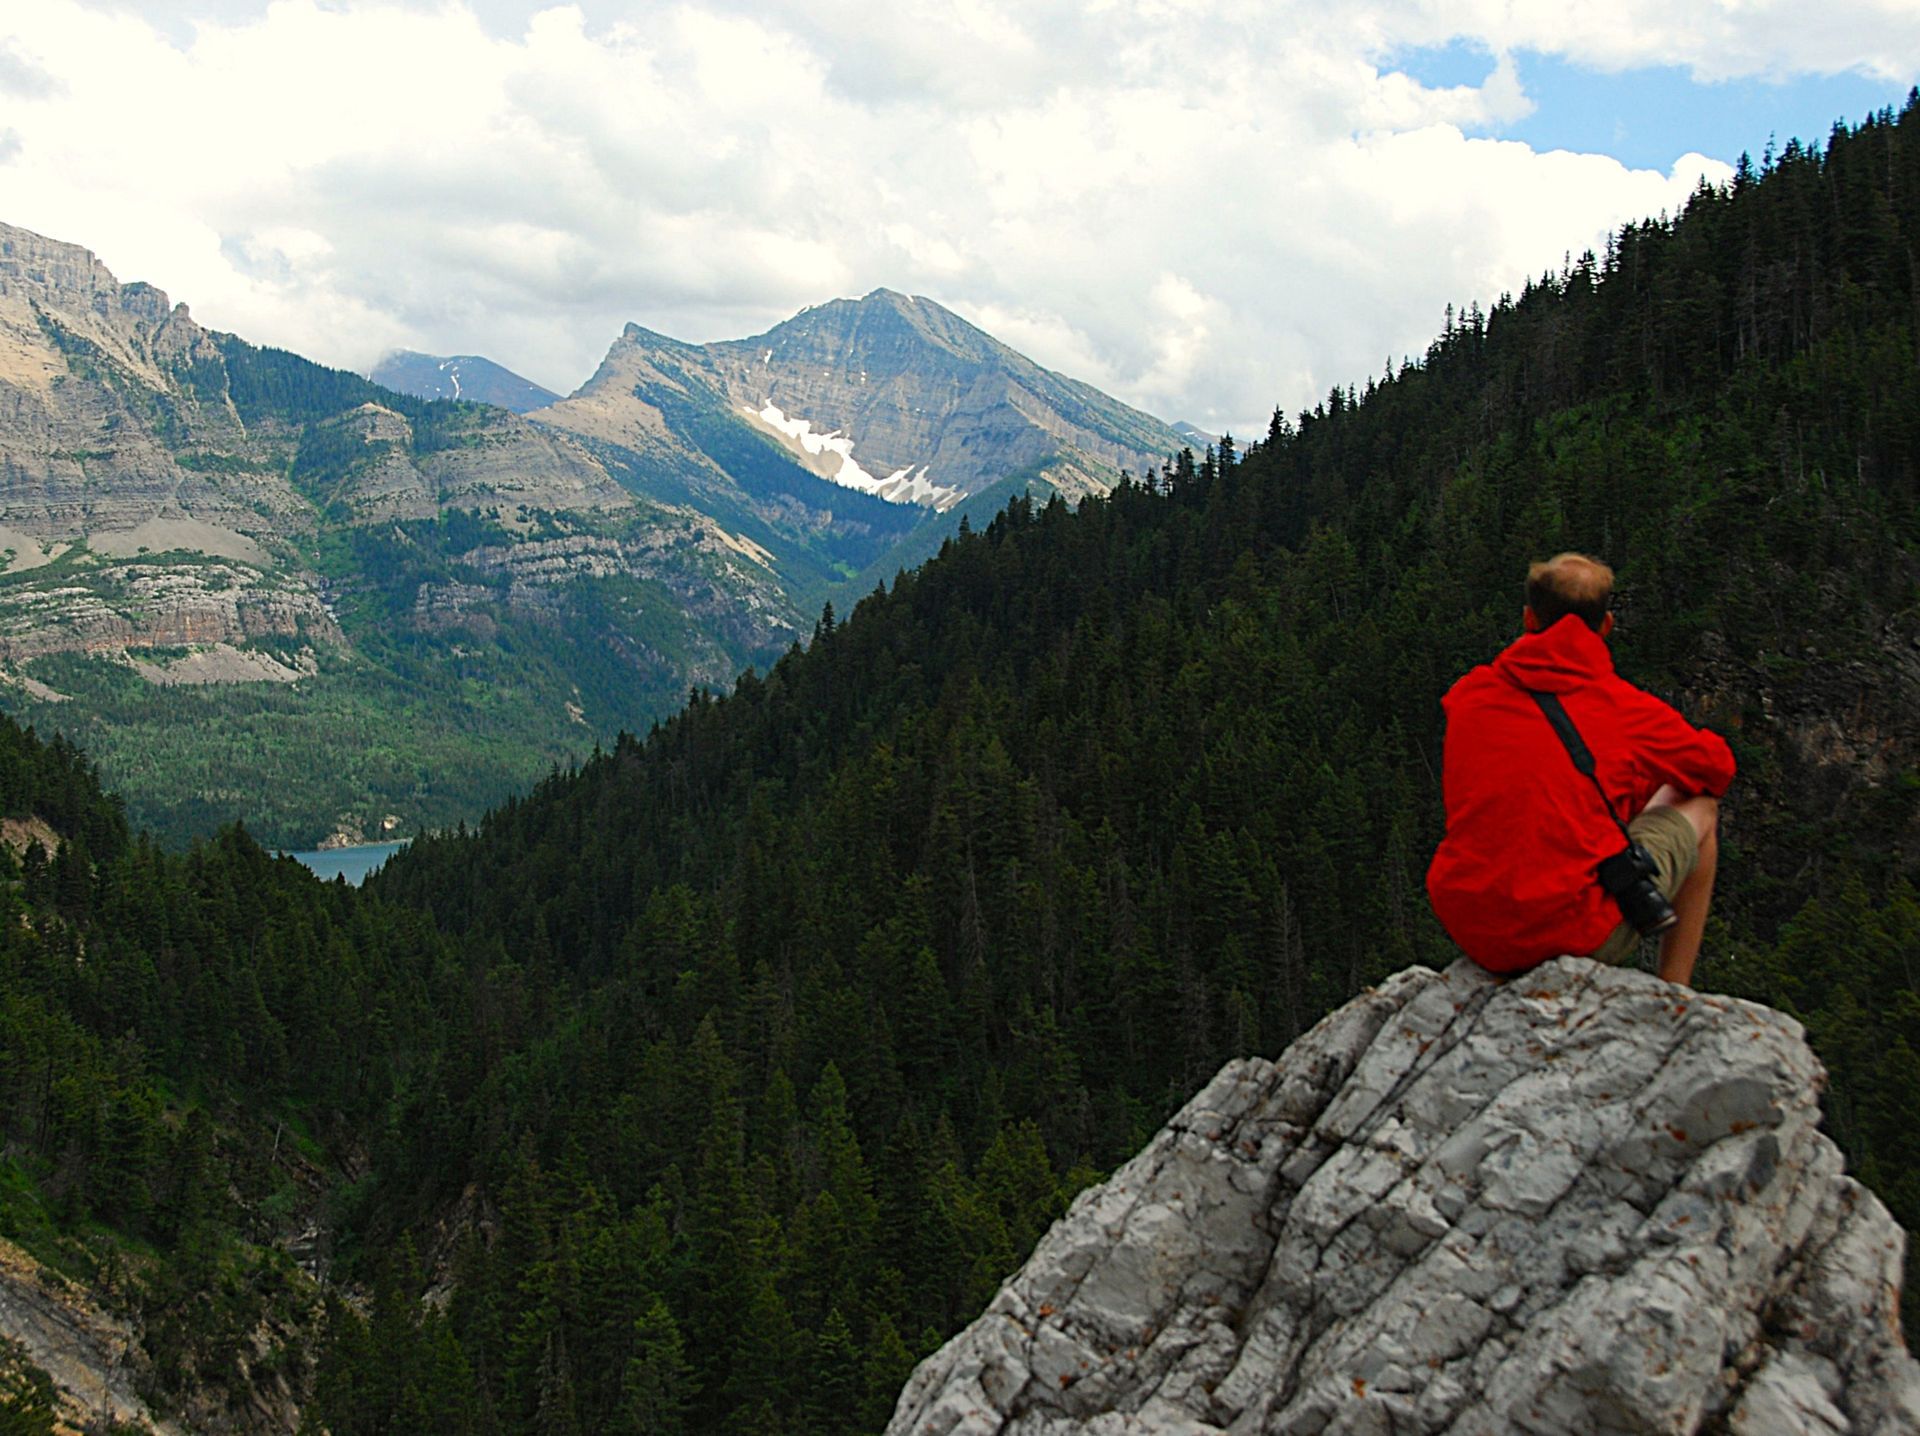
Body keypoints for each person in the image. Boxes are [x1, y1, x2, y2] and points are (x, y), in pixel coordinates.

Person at [1425, 553, 1734, 986]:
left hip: (1474, 928)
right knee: (1700, 803)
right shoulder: (1624, 709)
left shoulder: (1470, 695)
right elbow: (1716, 770)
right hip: (1566, 932)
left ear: (1529, 619)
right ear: (1605, 625)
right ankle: (1675, 989)